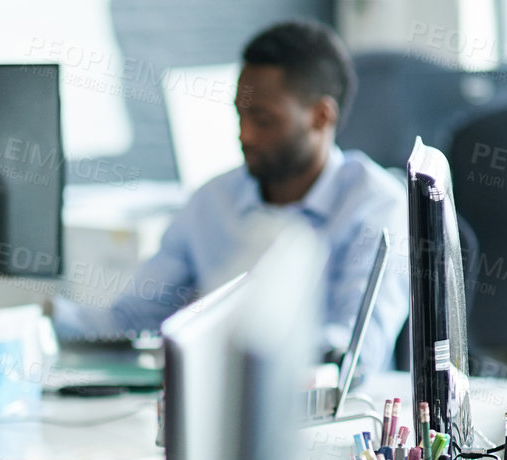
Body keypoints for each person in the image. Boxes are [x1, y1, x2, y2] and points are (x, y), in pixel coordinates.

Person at [53, 19, 409, 378]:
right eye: (239, 113)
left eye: (263, 119)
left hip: (336, 419)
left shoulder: (377, 206)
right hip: (218, 412)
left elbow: (355, 348)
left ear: (320, 116)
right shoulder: (211, 202)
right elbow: (129, 319)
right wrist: (39, 317)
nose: (245, 134)